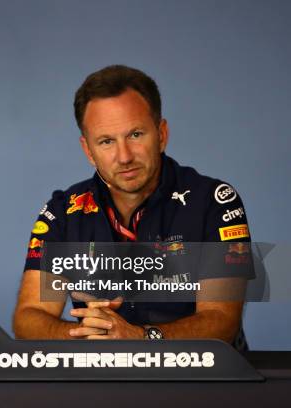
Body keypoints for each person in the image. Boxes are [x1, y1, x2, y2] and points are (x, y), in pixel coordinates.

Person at [13, 65, 251, 346]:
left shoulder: (214, 202)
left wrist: (141, 337)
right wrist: (86, 335)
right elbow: (30, 316)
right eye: (106, 141)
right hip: (104, 382)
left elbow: (223, 321)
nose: (123, 156)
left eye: (135, 135)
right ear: (88, 150)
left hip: (201, 383)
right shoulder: (63, 213)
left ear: (161, 134)